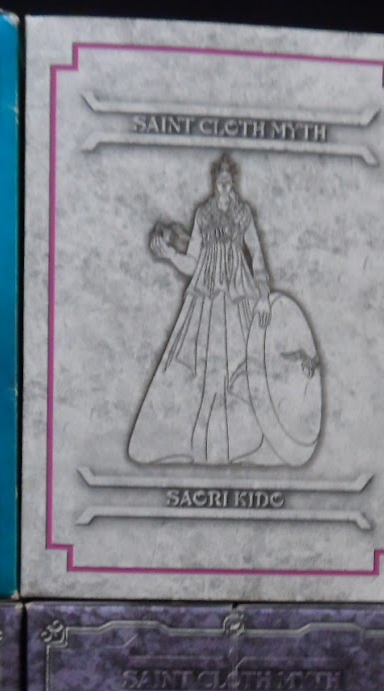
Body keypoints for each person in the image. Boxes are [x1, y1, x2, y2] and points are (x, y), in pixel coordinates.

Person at [128, 155, 275, 465]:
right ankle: (202, 449)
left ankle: (242, 446)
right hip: (206, 300)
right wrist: (170, 255)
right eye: (220, 182)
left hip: (238, 296)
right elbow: (193, 263)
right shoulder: (203, 215)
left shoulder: (243, 214)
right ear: (214, 182)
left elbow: (258, 256)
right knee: (205, 373)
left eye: (229, 182)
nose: (225, 187)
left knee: (244, 370)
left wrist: (263, 296)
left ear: (234, 182)